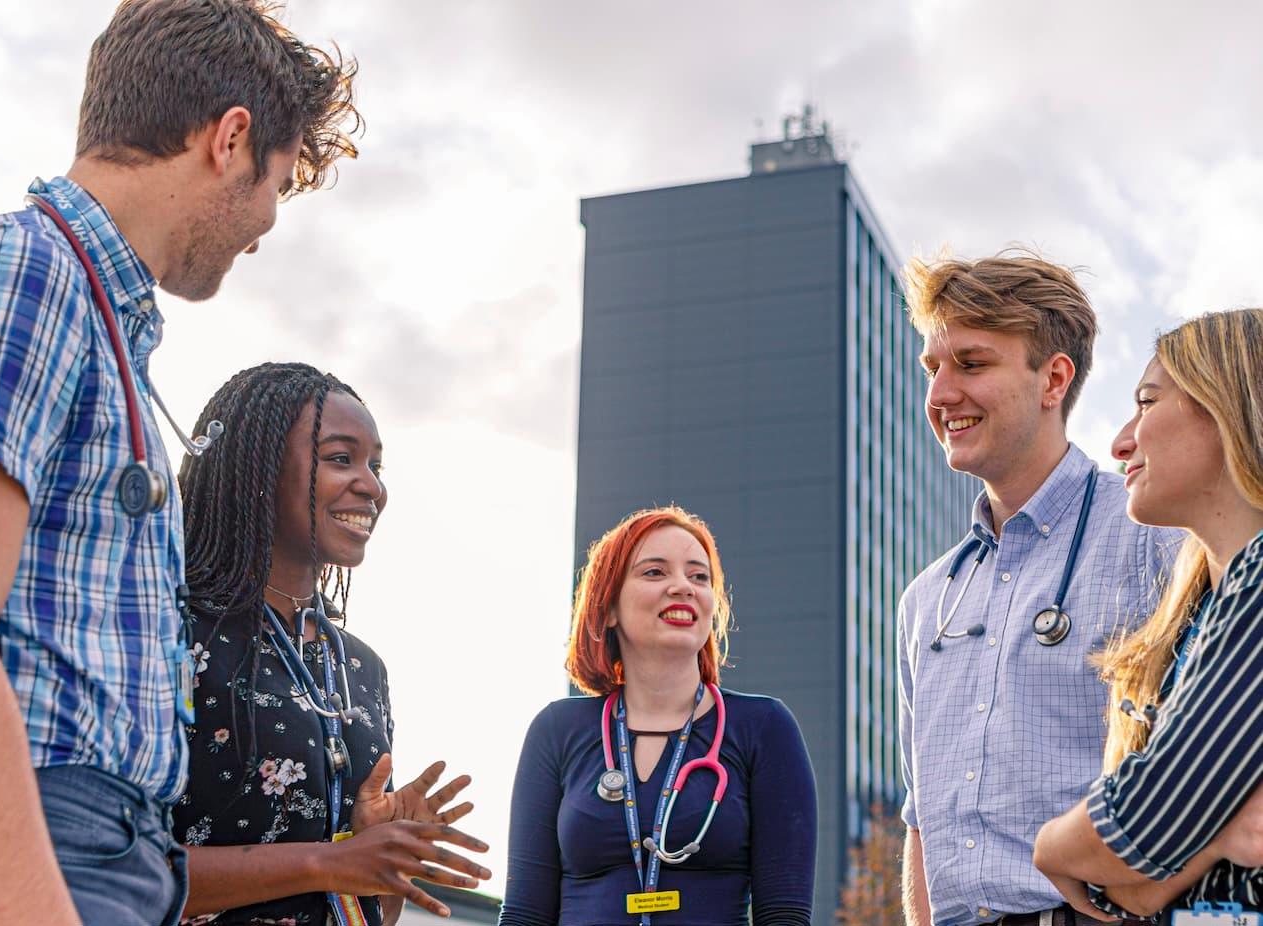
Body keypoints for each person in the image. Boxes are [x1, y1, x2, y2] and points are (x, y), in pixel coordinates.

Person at [0, 4, 361, 925]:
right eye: (277, 186)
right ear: (230, 140)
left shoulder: (92, 323)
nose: (264, 227)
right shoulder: (24, 272)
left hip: (53, 862)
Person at [896, 252, 1182, 926]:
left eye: (971, 364)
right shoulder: (925, 600)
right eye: (933, 370)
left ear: (1053, 379)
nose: (940, 395)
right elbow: (921, 819)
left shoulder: (1155, 538)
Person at [171, 362, 491, 925]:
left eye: (376, 466)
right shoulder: (173, 633)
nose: (371, 486)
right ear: (259, 467)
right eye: (341, 458)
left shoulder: (361, 666)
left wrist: (384, 851)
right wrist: (329, 861)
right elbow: (112, 866)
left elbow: (372, 909)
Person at [1033, 308, 1263, 921]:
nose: (1120, 442)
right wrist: (1213, 836)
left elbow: (1138, 825)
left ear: (1225, 405)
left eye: (1147, 402)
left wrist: (1051, 848)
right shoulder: (1198, 617)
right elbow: (1128, 888)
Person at [498, 506, 817, 926]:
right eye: (654, 572)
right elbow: (524, 915)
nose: (683, 586)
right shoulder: (556, 730)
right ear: (608, 606)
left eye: (699, 576)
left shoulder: (764, 727)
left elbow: (785, 916)